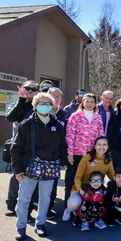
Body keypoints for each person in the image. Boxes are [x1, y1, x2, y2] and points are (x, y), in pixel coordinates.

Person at [11, 92, 67, 240]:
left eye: (47, 103)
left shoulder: (57, 125)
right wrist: (17, 169)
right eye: (41, 103)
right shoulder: (26, 124)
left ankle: (40, 224)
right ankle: (21, 227)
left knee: (45, 198)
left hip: (49, 167)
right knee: (24, 199)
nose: (44, 106)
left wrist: (61, 163)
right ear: (35, 106)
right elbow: (16, 148)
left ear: (52, 106)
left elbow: (63, 146)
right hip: (28, 168)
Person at [63, 94, 104, 221]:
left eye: (92, 102)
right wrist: (70, 153)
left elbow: (100, 136)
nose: (89, 104)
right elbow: (70, 135)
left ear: (95, 103)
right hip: (76, 155)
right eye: (87, 101)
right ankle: (67, 208)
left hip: (91, 156)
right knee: (71, 180)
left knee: (88, 181)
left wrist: (100, 153)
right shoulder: (76, 116)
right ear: (83, 102)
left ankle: (84, 207)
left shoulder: (98, 118)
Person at [5, 80, 40, 217]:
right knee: (16, 176)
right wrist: (21, 99)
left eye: (33, 88)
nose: (30, 91)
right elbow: (11, 117)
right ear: (22, 89)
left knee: (34, 177)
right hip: (19, 148)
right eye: (27, 88)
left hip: (36, 148)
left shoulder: (40, 105)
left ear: (38, 90)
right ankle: (11, 204)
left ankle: (29, 207)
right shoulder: (17, 104)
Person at [66, 136, 115, 226]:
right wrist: (81, 191)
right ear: (95, 146)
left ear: (108, 147)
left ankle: (97, 217)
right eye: (99, 144)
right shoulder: (86, 158)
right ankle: (77, 214)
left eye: (104, 145)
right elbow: (77, 177)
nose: (101, 147)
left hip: (97, 190)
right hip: (82, 189)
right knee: (73, 204)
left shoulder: (108, 160)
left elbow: (112, 177)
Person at [45, 87, 69, 219]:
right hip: (39, 155)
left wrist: (63, 158)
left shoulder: (64, 114)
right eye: (54, 96)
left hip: (55, 156)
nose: (56, 99)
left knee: (52, 185)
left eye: (59, 97)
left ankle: (48, 210)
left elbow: (66, 136)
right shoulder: (40, 111)